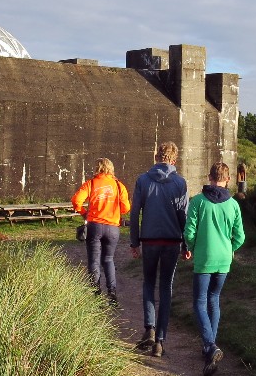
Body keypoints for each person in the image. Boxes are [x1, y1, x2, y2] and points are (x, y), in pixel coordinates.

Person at [184, 162, 245, 376]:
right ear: (227, 179)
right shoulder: (233, 205)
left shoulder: (198, 201)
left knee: (199, 302)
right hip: (223, 260)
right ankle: (209, 348)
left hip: (204, 259)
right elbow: (240, 236)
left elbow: (189, 231)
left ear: (209, 177)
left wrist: (191, 247)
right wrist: (230, 249)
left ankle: (210, 345)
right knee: (214, 300)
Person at [129, 142, 189, 358]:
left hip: (150, 239)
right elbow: (184, 216)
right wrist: (186, 244)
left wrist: (134, 242)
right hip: (172, 240)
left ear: (156, 157)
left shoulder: (143, 180)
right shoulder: (180, 182)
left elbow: (134, 213)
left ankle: (149, 329)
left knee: (148, 282)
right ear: (174, 159)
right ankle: (160, 341)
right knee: (166, 287)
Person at [71, 158, 131, 304]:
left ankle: (95, 292)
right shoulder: (118, 185)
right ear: (111, 168)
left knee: (94, 260)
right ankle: (112, 292)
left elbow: (76, 200)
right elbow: (126, 208)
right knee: (108, 259)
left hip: (94, 226)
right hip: (113, 227)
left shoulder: (91, 183)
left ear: (97, 168)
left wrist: (84, 213)